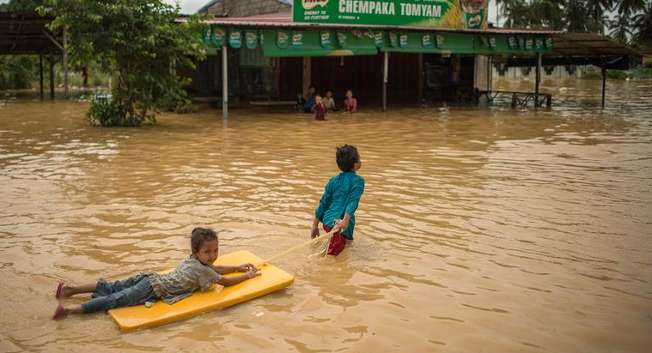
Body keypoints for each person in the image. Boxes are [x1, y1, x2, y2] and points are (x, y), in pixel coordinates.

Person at [51, 227, 260, 320]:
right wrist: (248, 276)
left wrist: (238, 267)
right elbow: (225, 282)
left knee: (112, 286)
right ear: (197, 252)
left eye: (215, 250)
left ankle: (71, 290)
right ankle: (71, 311)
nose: (213, 255)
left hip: (150, 278)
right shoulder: (201, 269)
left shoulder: (195, 261)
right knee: (114, 299)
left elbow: (215, 269)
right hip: (151, 288)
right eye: (208, 252)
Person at [310, 145, 365, 256]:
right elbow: (352, 202)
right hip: (340, 224)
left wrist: (315, 226)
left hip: (328, 222)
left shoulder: (333, 180)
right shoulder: (358, 181)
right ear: (355, 164)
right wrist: (344, 221)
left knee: (345, 246)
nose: (361, 161)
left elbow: (323, 202)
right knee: (330, 257)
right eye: (359, 159)